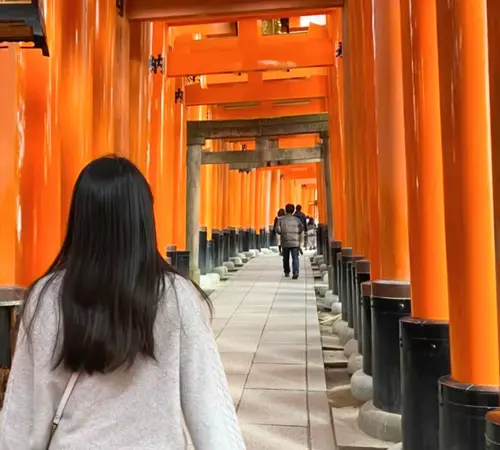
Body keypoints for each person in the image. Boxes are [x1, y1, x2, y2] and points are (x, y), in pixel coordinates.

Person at [0, 156, 245, 450]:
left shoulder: (47, 297)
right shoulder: (177, 298)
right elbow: (210, 408)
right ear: (144, 218)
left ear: (79, 217)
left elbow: (23, 414)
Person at [276, 203, 304, 279]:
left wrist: (283, 233)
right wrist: (296, 233)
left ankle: (287, 271)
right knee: (295, 257)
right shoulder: (297, 220)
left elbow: (278, 230)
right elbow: (301, 228)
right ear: (293, 210)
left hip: (285, 241)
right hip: (295, 241)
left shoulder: (280, 220)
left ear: (286, 210)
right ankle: (296, 272)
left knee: (286, 258)